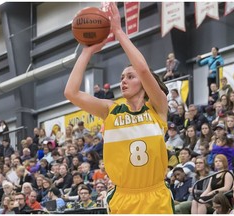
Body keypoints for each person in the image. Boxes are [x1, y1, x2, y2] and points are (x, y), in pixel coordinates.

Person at [64, 3, 173, 214]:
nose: (123, 81)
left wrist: (119, 32)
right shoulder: (110, 110)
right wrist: (87, 51)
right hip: (123, 197)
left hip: (155, 195)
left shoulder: (158, 107)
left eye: (130, 77)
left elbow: (142, 68)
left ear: (143, 82)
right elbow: (71, 93)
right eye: (122, 77)